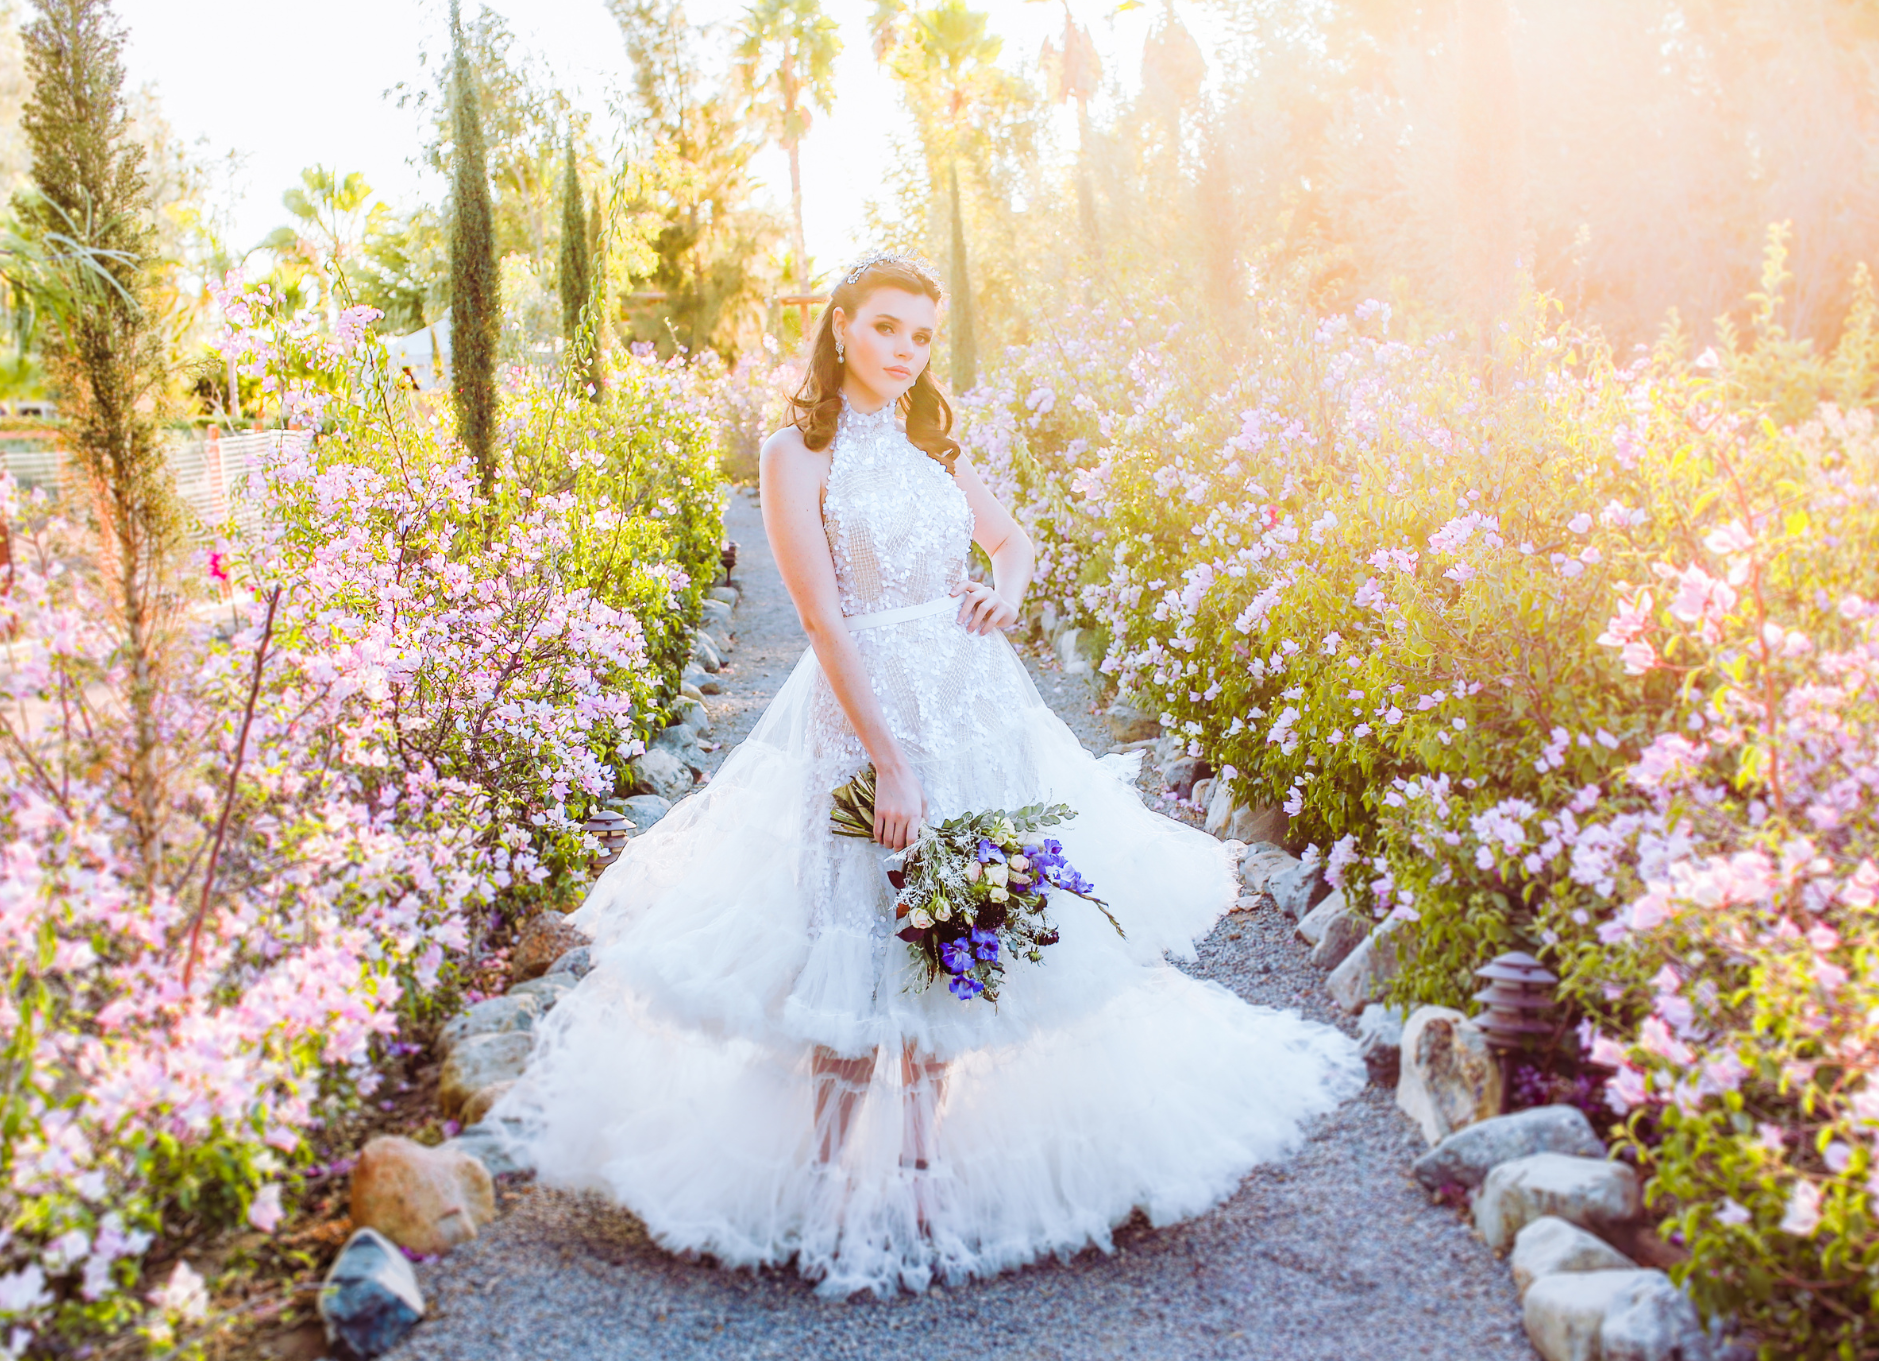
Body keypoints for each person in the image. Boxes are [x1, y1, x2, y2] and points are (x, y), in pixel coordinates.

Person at [483, 253, 1361, 1299]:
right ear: (841, 326)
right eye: (887, 328)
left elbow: (1014, 540)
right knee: (851, 932)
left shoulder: (931, 442)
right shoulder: (791, 455)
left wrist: (1001, 587)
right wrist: (888, 760)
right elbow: (817, 616)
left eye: (921, 336)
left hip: (973, 710)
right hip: (864, 725)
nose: (905, 351)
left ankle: (919, 1175)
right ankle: (816, 1184)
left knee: (955, 927)